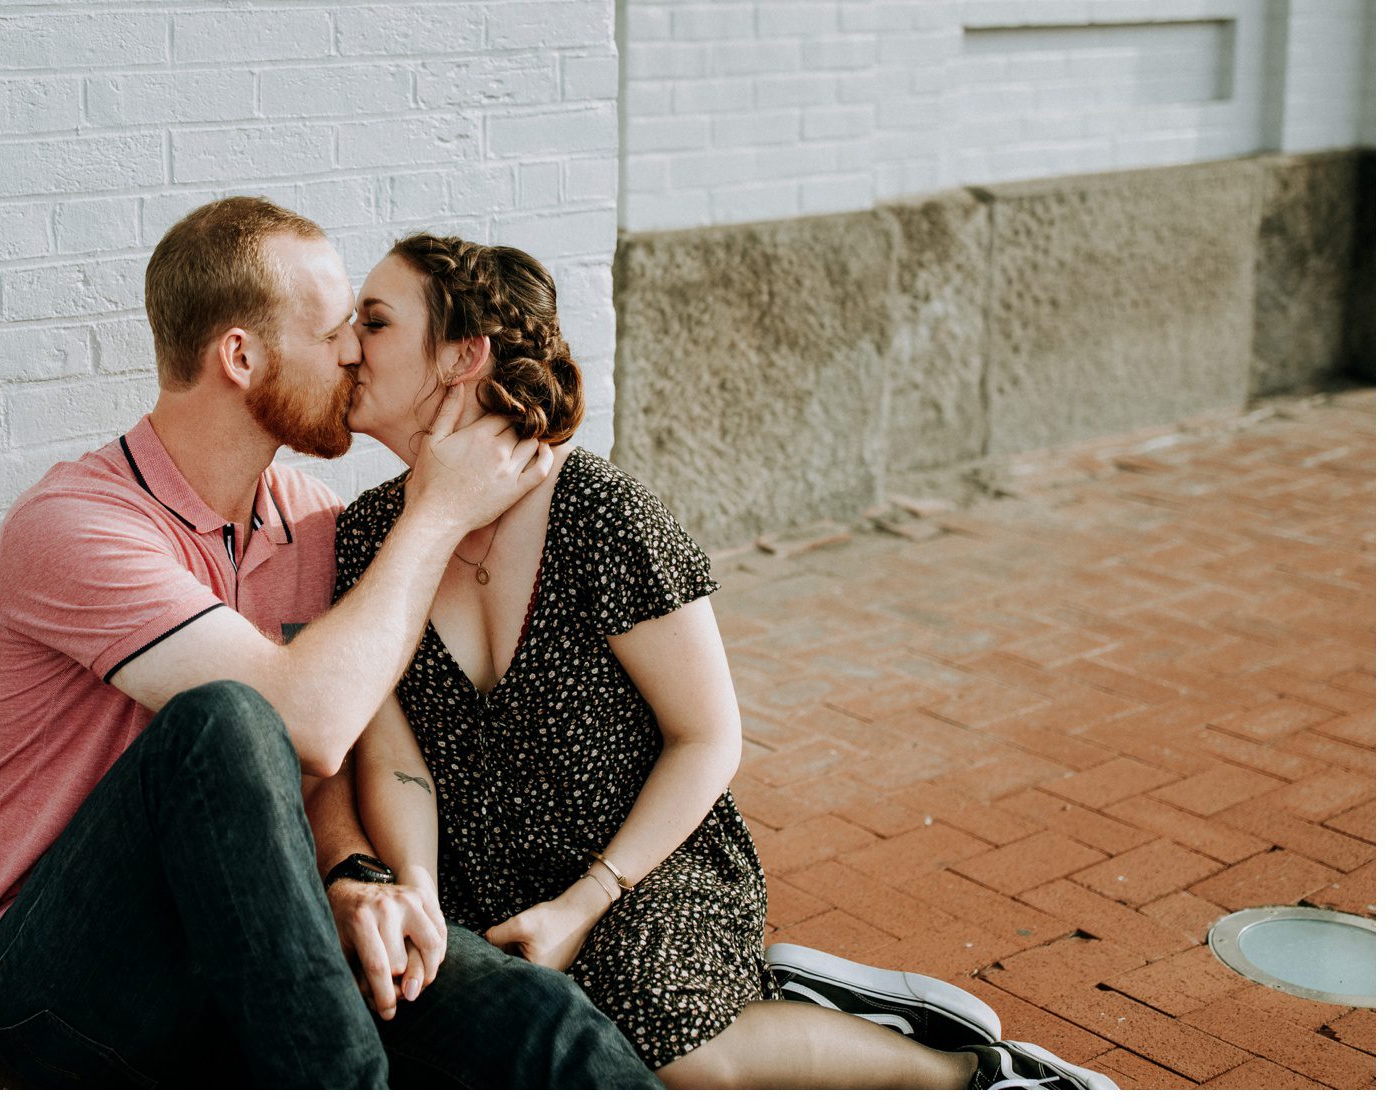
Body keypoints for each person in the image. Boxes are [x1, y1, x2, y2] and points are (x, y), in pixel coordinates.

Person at [327, 232, 1119, 1091]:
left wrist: (584, 901)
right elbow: (398, 762)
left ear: (462, 356)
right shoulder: (371, 540)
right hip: (481, 882)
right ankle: (786, 995)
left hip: (645, 864)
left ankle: (966, 1070)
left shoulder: (600, 515)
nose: (345, 347)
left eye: (373, 323)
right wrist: (417, 892)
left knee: (674, 1054)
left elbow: (706, 736)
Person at [0, 197, 660, 1087]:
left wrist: (354, 874)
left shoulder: (314, 523)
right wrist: (435, 515)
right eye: (334, 332)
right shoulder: (76, 526)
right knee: (227, 723)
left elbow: (327, 764)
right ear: (240, 356)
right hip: (68, 978)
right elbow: (297, 723)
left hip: (260, 942)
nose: (355, 350)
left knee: (536, 1019)